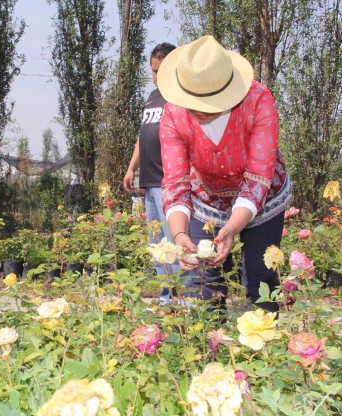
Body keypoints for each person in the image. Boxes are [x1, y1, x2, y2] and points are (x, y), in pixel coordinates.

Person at [157, 35, 292, 313]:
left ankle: (265, 338)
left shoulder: (258, 100)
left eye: (208, 102)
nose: (199, 110)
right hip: (207, 201)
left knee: (260, 276)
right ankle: (209, 339)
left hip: (263, 200)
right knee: (203, 280)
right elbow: (175, 182)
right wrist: (179, 235)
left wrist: (231, 228)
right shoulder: (173, 114)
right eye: (192, 101)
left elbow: (258, 177)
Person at [123, 42, 181, 305]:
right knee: (157, 244)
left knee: (173, 241)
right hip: (149, 181)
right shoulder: (152, 97)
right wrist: (131, 167)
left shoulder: (180, 96)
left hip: (169, 181)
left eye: (159, 71)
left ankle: (180, 299)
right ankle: (165, 298)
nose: (155, 76)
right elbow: (142, 135)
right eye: (153, 70)